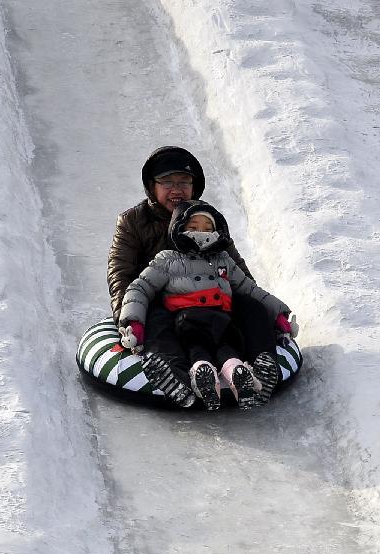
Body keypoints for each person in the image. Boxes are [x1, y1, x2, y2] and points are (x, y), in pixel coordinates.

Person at [107, 146, 298, 408]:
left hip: (212, 303)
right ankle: (177, 375)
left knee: (250, 306)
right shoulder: (133, 222)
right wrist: (128, 320)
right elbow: (122, 275)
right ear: (152, 186)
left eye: (184, 182)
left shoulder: (207, 220)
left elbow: (239, 275)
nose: (177, 189)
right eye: (167, 182)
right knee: (157, 316)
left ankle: (260, 368)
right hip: (163, 303)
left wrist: (269, 314)